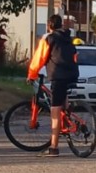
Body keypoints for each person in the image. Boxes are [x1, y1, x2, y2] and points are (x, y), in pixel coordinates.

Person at [27, 14, 79, 158]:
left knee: (54, 114)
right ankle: (68, 120)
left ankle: (54, 148)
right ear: (61, 24)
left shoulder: (49, 39)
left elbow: (39, 59)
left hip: (58, 76)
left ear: (49, 25)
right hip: (73, 74)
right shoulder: (68, 38)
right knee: (63, 100)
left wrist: (32, 74)